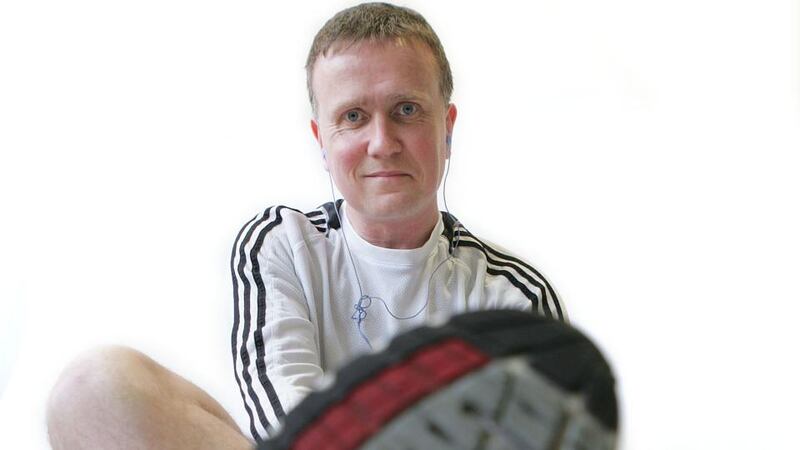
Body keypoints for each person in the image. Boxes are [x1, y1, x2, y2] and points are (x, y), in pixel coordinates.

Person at [46, 3, 603, 450]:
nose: (382, 142)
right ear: (322, 139)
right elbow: (288, 426)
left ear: (447, 125)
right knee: (94, 388)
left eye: (406, 110)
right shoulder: (281, 246)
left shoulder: (511, 297)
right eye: (353, 117)